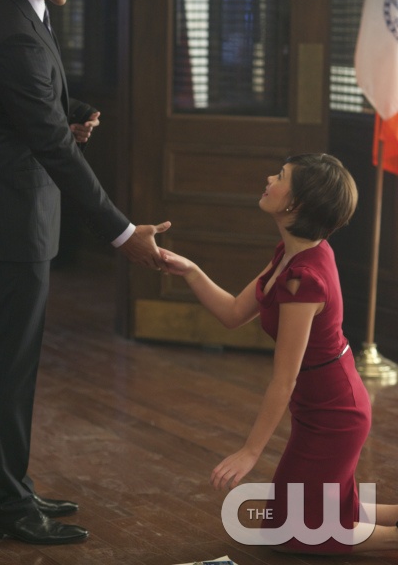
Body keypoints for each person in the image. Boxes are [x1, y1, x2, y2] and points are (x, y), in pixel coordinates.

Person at [0, 0, 170, 546]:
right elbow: (48, 144)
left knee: (5, 365)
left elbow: (20, 109)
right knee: (6, 368)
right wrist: (123, 233)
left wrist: (63, 116)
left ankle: (3, 486)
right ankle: (4, 504)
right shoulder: (12, 25)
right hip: (8, 222)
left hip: (4, 213)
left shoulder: (5, 3)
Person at [160, 153, 398, 554]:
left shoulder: (304, 279)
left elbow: (284, 380)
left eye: (281, 176)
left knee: (295, 531)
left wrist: (250, 451)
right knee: (299, 518)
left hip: (334, 414)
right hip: (318, 406)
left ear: (296, 203)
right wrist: (190, 271)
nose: (270, 178)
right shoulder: (292, 254)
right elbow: (232, 313)